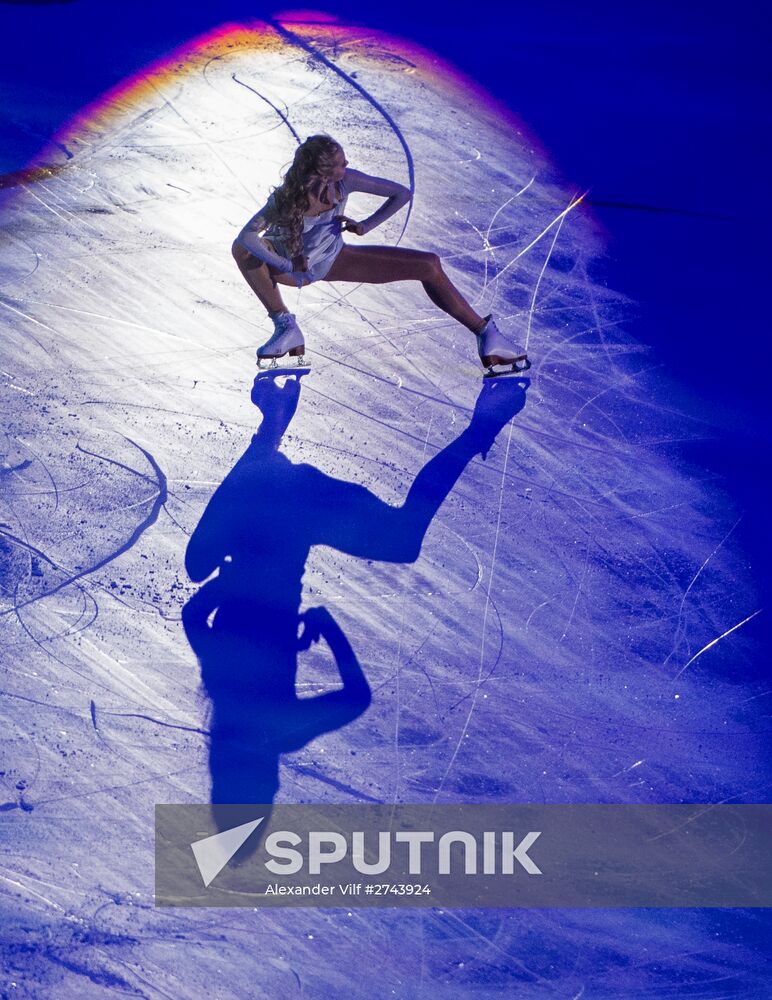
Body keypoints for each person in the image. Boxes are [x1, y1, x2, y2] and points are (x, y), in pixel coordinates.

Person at [231, 133, 529, 376]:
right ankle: (285, 326)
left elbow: (402, 194)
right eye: (339, 163)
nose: (346, 164)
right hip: (286, 269)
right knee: (243, 251)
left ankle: (487, 336)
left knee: (428, 264)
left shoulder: (347, 182)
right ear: (321, 170)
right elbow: (245, 237)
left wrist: (366, 226)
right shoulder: (284, 199)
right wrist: (287, 264)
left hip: (333, 260)